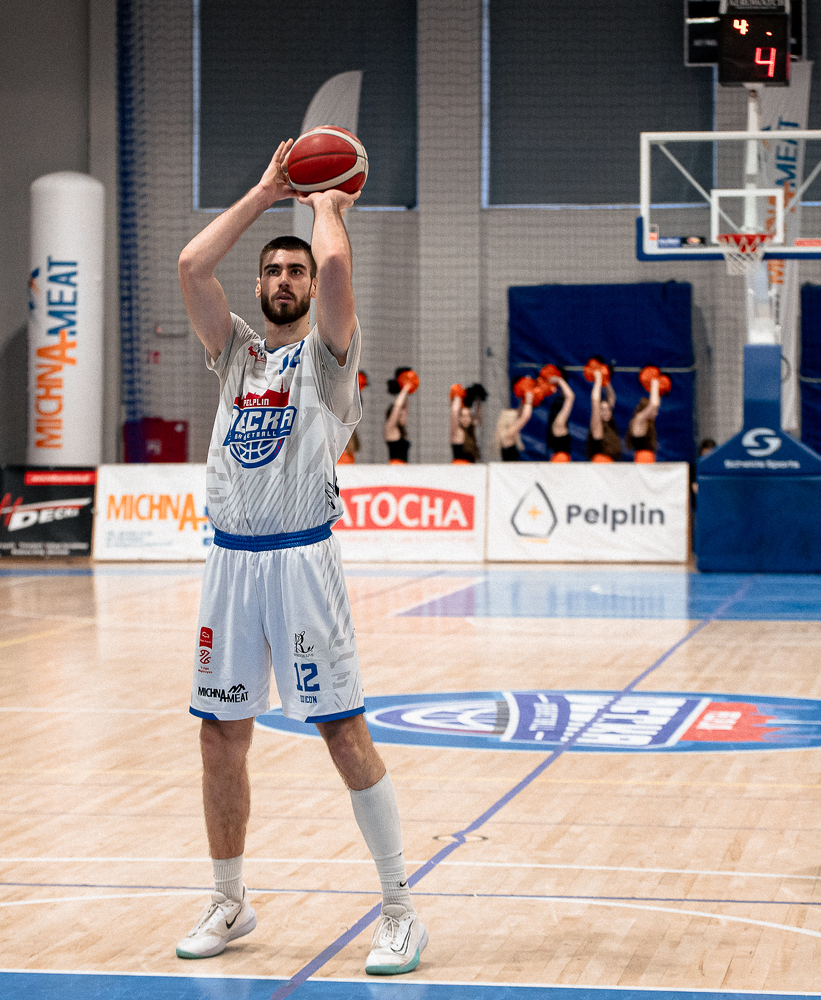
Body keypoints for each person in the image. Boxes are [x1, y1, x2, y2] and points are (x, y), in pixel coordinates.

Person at [174, 139, 427, 974]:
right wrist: (263, 191)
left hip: (301, 562)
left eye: (296, 272)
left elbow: (341, 271)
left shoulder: (328, 357)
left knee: (343, 734)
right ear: (258, 286)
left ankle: (400, 910)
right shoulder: (236, 354)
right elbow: (191, 266)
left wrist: (326, 204)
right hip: (229, 563)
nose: (284, 279)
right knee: (219, 738)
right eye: (272, 272)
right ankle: (229, 899)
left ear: (312, 288)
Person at [585, 368, 622, 462]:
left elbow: (612, 396)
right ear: (598, 412)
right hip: (599, 468)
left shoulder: (610, 426)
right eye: (602, 410)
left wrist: (606, 380)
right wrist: (598, 380)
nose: (606, 412)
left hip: (609, 468)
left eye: (608, 409)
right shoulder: (596, 427)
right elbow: (595, 400)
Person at [448, 384, 485, 463]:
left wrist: (478, 401)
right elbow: (455, 412)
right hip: (458, 468)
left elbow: (478, 419)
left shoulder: (470, 432)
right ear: (459, 418)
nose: (466, 419)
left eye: (468, 416)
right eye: (463, 416)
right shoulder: (456, 432)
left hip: (471, 468)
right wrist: (458, 396)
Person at [627, 381, 662, 463]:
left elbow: (656, 403)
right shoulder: (639, 419)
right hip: (642, 460)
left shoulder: (646, 422)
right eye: (655, 410)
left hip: (648, 458)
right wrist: (654, 382)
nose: (656, 413)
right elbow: (654, 404)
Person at [543, 371, 574, 461]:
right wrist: (559, 380)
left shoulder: (555, 425)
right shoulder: (559, 424)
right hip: (561, 460)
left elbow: (568, 397)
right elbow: (570, 397)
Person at [383, 368, 411, 464]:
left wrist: (407, 392)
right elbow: (398, 406)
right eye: (401, 415)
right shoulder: (390, 427)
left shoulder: (401, 430)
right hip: (395, 468)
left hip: (403, 468)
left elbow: (403, 406)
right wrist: (405, 388)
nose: (405, 416)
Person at [496, 391, 535, 461]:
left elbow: (520, 413)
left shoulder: (506, 434)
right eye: (515, 419)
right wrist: (529, 401)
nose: (516, 420)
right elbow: (525, 417)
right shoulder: (508, 434)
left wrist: (522, 400)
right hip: (509, 467)